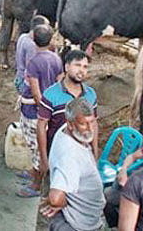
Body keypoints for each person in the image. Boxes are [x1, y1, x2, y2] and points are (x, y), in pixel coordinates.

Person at [40, 97, 105, 231]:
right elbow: (55, 198)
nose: (89, 129)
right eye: (83, 124)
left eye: (92, 122)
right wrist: (64, 204)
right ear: (70, 124)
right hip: (78, 223)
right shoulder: (71, 156)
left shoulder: (66, 131)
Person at [17, 24, 63, 198]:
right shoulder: (56, 59)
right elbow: (60, 85)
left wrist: (43, 109)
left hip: (34, 111)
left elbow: (35, 92)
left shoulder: (34, 63)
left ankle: (36, 185)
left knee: (36, 147)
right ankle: (34, 174)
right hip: (49, 109)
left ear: (33, 39)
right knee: (38, 147)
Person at [38, 50, 98, 176]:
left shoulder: (91, 95)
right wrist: (44, 159)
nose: (82, 70)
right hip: (57, 154)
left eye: (85, 67)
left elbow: (94, 125)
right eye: (77, 65)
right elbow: (41, 126)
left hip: (82, 154)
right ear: (66, 67)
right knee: (54, 192)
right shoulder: (51, 95)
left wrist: (95, 154)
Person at [14, 15, 50, 82]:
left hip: (18, 76)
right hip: (24, 81)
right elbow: (31, 69)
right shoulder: (31, 45)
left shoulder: (23, 36)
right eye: (46, 27)